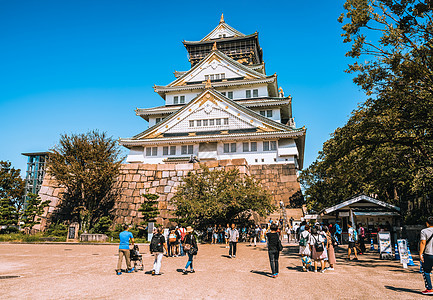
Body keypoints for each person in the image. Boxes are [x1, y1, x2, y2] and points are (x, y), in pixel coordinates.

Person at [420, 216, 433, 295]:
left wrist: (420, 253)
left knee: (426, 271)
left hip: (429, 254)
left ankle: (429, 289)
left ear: (427, 223)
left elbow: (423, 242)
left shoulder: (424, 231)